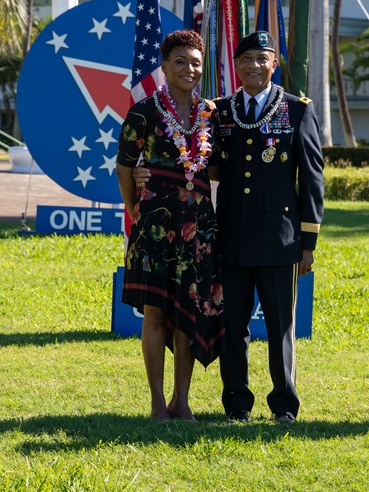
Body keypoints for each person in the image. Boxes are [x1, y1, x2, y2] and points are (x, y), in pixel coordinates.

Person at [215, 30, 324, 423]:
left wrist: (308, 242)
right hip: (232, 235)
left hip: (280, 240)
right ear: (237, 66)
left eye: (262, 59)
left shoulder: (296, 110)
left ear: (274, 65)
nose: (254, 66)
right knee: (232, 327)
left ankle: (284, 406)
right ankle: (237, 404)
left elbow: (312, 178)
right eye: (247, 60)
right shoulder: (222, 112)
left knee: (280, 327)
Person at [116, 29, 223, 422]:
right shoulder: (143, 111)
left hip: (198, 227)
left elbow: (216, 169)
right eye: (180, 61)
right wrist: (135, 210)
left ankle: (182, 400)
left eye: (195, 62)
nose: (189, 69)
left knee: (187, 313)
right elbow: (125, 167)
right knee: (156, 313)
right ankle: (157, 402)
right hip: (154, 227)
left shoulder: (212, 114)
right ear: (164, 65)